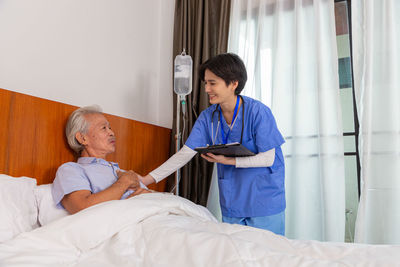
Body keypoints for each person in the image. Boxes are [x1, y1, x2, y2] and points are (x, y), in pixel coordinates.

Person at [140, 53, 286, 235]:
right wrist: (146, 179)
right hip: (233, 200)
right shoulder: (208, 116)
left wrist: (227, 161)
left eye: (212, 83)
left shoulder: (258, 112)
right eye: (206, 83)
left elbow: (268, 158)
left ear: (233, 83)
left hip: (263, 198)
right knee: (237, 254)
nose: (207, 89)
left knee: (269, 254)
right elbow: (185, 153)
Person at [52, 105, 151, 214]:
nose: (112, 133)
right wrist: (124, 183)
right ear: (82, 138)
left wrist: (148, 196)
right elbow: (82, 208)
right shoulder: (71, 170)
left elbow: (150, 197)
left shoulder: (123, 172)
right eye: (104, 128)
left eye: (110, 128)